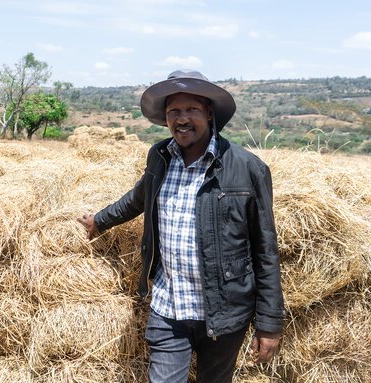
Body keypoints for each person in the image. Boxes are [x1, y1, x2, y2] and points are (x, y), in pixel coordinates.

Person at [77, 70, 285, 383]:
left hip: (224, 313)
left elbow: (265, 249)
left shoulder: (247, 168)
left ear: (209, 113)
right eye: (174, 111)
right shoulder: (159, 158)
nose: (182, 119)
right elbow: (137, 199)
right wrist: (99, 221)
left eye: (192, 110)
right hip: (168, 306)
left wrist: (269, 324)